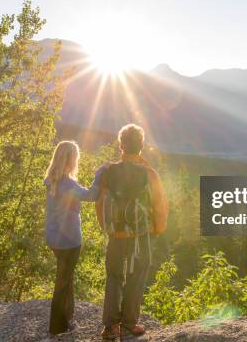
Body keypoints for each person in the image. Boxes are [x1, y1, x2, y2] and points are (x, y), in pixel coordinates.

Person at [96, 124, 168, 340]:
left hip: (116, 234)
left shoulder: (109, 172)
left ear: (121, 145)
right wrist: (158, 228)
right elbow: (160, 204)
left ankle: (110, 326)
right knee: (137, 277)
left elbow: (100, 202)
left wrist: (105, 226)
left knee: (114, 276)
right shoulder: (149, 174)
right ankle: (129, 323)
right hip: (141, 235)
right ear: (141, 146)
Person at [44, 140, 102, 335]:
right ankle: (57, 327)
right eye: (76, 157)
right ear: (70, 160)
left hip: (54, 239)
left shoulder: (52, 180)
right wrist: (100, 174)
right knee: (63, 282)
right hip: (69, 241)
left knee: (65, 279)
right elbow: (93, 195)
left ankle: (67, 320)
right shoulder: (68, 184)